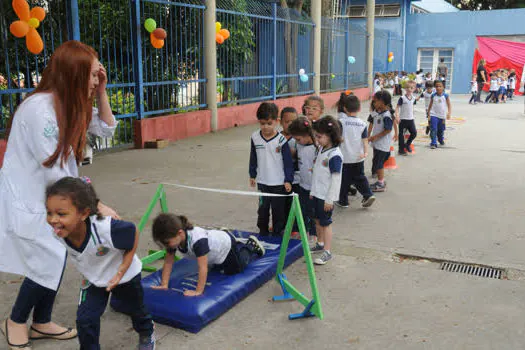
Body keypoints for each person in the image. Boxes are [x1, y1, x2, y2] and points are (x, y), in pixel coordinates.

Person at [0, 41, 119, 350]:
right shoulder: (40, 109)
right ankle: (15, 320)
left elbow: (107, 129)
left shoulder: (71, 103)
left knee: (57, 253)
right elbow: (54, 172)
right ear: (73, 72)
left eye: (97, 75)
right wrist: (93, 205)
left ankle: (41, 322)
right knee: (47, 257)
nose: (95, 80)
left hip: (55, 196)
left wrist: (102, 90)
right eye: (92, 75)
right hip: (30, 197)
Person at [45, 177, 155, 349]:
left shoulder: (105, 228)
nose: (53, 220)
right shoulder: (59, 231)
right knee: (85, 320)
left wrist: (121, 271)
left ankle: (147, 332)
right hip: (94, 278)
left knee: (136, 309)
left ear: (83, 213)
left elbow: (133, 233)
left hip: (125, 276)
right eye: (49, 213)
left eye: (61, 214)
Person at [151, 213, 266, 293]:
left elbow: (202, 268)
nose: (166, 246)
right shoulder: (173, 240)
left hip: (225, 246)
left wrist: (198, 291)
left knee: (236, 270)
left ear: (180, 233)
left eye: (167, 242)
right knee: (216, 268)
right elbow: (168, 263)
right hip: (212, 252)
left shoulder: (198, 241)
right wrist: (164, 284)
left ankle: (250, 246)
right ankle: (221, 234)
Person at [249, 102, 294, 236]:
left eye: (269, 123)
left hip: (279, 183)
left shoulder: (281, 141)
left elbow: (288, 163)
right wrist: (252, 174)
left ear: (276, 121)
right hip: (263, 182)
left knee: (278, 210)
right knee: (262, 209)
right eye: (262, 123)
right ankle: (262, 230)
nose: (266, 127)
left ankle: (277, 232)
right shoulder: (255, 137)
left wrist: (288, 180)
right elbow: (253, 157)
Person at [309, 116, 343, 265]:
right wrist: (312, 191)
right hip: (317, 193)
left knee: (325, 223)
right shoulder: (322, 148)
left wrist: (330, 199)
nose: (317, 139)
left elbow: (336, 179)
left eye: (320, 136)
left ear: (330, 135)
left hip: (325, 197)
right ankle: (320, 243)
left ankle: (327, 251)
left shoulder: (335, 155)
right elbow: (317, 173)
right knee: (317, 221)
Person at [335, 94, 375, 209]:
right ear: (359, 109)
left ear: (345, 108)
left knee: (344, 180)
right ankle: (368, 194)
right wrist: (366, 153)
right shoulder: (362, 124)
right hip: (359, 157)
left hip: (344, 157)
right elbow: (365, 140)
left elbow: (337, 138)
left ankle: (343, 201)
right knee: (360, 177)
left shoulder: (341, 122)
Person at [288, 117, 317, 243]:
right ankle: (303, 232)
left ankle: (315, 235)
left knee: (314, 213)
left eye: (298, 139)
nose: (297, 141)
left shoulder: (317, 147)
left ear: (307, 135)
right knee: (303, 211)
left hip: (315, 187)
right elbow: (296, 155)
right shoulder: (300, 145)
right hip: (303, 184)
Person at [368, 90, 396, 192]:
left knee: (379, 164)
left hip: (383, 145)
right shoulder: (379, 113)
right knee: (377, 162)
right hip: (378, 144)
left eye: (375, 101)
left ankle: (381, 183)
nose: (374, 103)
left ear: (382, 102)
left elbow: (388, 130)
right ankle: (380, 181)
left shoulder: (386, 115)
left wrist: (374, 137)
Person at [280, 107, 300, 233]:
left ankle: (295, 228)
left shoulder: (299, 139)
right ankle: (281, 225)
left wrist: (294, 154)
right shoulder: (277, 137)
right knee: (280, 204)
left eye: (293, 122)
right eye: (287, 122)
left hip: (296, 178)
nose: (290, 124)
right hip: (279, 178)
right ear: (281, 122)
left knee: (293, 203)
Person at [395, 80, 418, 156]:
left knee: (414, 133)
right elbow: (397, 108)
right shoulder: (402, 98)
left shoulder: (413, 98)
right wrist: (397, 117)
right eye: (407, 87)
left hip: (411, 119)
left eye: (411, 88)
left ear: (414, 89)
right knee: (401, 135)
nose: (409, 89)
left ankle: (407, 144)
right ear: (405, 88)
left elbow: (412, 106)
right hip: (403, 119)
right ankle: (401, 150)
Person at [427, 80, 451, 149]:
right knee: (433, 129)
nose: (438, 88)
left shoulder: (445, 96)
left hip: (442, 116)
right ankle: (433, 143)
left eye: (440, 86)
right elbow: (430, 105)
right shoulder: (433, 95)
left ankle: (440, 139)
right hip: (433, 115)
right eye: (437, 86)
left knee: (441, 130)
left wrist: (449, 113)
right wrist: (428, 113)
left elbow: (449, 105)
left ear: (443, 87)